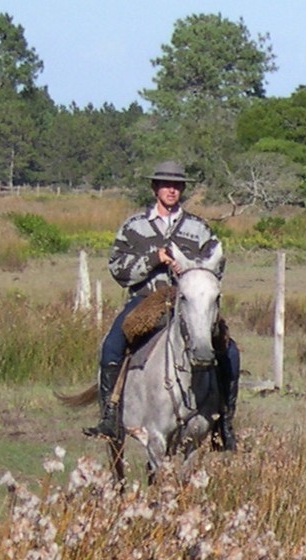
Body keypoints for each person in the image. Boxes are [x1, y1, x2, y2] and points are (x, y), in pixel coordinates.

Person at [85, 160, 242, 450]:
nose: (172, 190)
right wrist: (153, 259)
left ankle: (224, 425)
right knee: (112, 345)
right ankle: (110, 417)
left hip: (192, 303)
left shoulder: (199, 228)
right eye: (166, 184)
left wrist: (193, 273)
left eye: (177, 185)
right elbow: (118, 268)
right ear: (155, 187)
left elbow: (217, 266)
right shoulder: (134, 226)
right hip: (147, 300)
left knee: (229, 351)